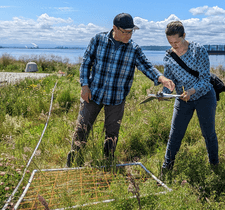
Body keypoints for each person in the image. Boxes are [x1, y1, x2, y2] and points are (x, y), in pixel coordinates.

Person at [66, 13, 175, 167]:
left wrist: (162, 78)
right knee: (81, 129)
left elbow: (147, 66)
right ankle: (73, 163)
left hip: (116, 98)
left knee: (112, 134)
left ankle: (107, 163)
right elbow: (86, 63)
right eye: (125, 32)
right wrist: (84, 85)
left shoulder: (134, 48)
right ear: (114, 28)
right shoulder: (98, 40)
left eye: (131, 32)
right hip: (93, 94)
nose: (128, 35)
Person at [160, 21, 219, 172]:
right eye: (170, 42)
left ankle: (214, 167)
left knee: (208, 134)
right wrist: (163, 94)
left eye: (177, 42)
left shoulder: (198, 50)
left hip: (204, 96)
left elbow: (205, 80)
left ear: (184, 36)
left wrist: (192, 91)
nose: (174, 46)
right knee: (175, 135)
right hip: (183, 99)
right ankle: (166, 170)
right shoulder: (168, 57)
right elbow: (169, 83)